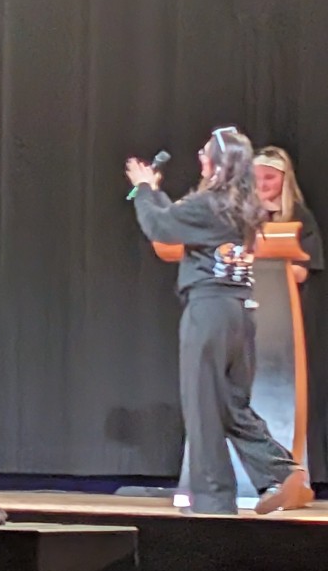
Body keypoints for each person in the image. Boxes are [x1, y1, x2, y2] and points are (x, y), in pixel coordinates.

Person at [126, 126, 313, 515]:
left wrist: (143, 189)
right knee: (230, 405)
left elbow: (161, 227)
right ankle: (281, 473)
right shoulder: (243, 207)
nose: (200, 157)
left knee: (202, 407)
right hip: (241, 312)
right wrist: (155, 194)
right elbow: (178, 220)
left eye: (204, 152)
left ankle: (212, 500)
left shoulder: (208, 203)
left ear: (217, 162)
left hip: (208, 311)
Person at [253, 146, 324, 284]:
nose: (261, 184)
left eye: (269, 177)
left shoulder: (299, 216)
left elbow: (302, 272)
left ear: (285, 179)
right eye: (256, 178)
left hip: (284, 292)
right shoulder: (241, 214)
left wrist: (261, 269)